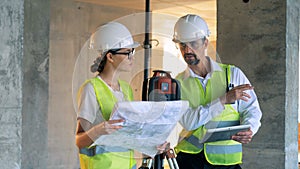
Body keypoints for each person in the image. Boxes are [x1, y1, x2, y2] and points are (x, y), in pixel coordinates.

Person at [172, 14, 262, 169]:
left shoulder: (232, 74)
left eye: (193, 43)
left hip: (227, 161)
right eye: (182, 45)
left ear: (205, 42)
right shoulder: (178, 83)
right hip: (190, 160)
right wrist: (223, 100)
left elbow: (252, 109)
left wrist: (250, 129)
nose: (187, 50)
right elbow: (189, 122)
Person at [75, 22, 141, 169]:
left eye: (133, 52)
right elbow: (79, 141)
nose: (132, 57)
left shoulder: (126, 89)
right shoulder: (91, 89)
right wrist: (98, 130)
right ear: (110, 56)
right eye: (127, 53)